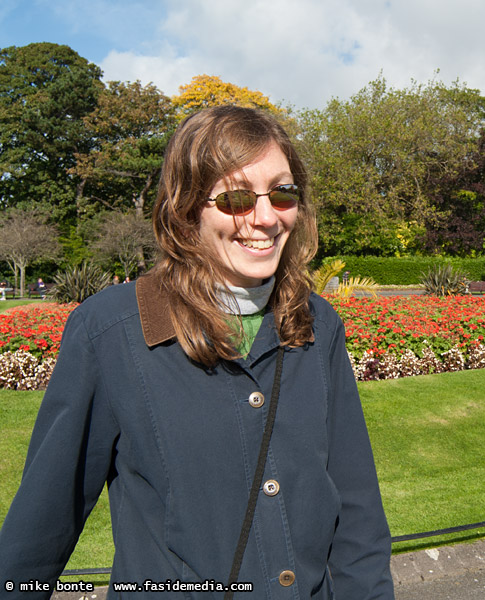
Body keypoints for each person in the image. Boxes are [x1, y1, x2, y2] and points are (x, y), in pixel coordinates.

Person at [0, 106, 395, 599]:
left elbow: (358, 515)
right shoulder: (111, 330)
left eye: (283, 192)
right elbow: (42, 526)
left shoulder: (317, 322)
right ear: (186, 210)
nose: (267, 218)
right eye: (235, 198)